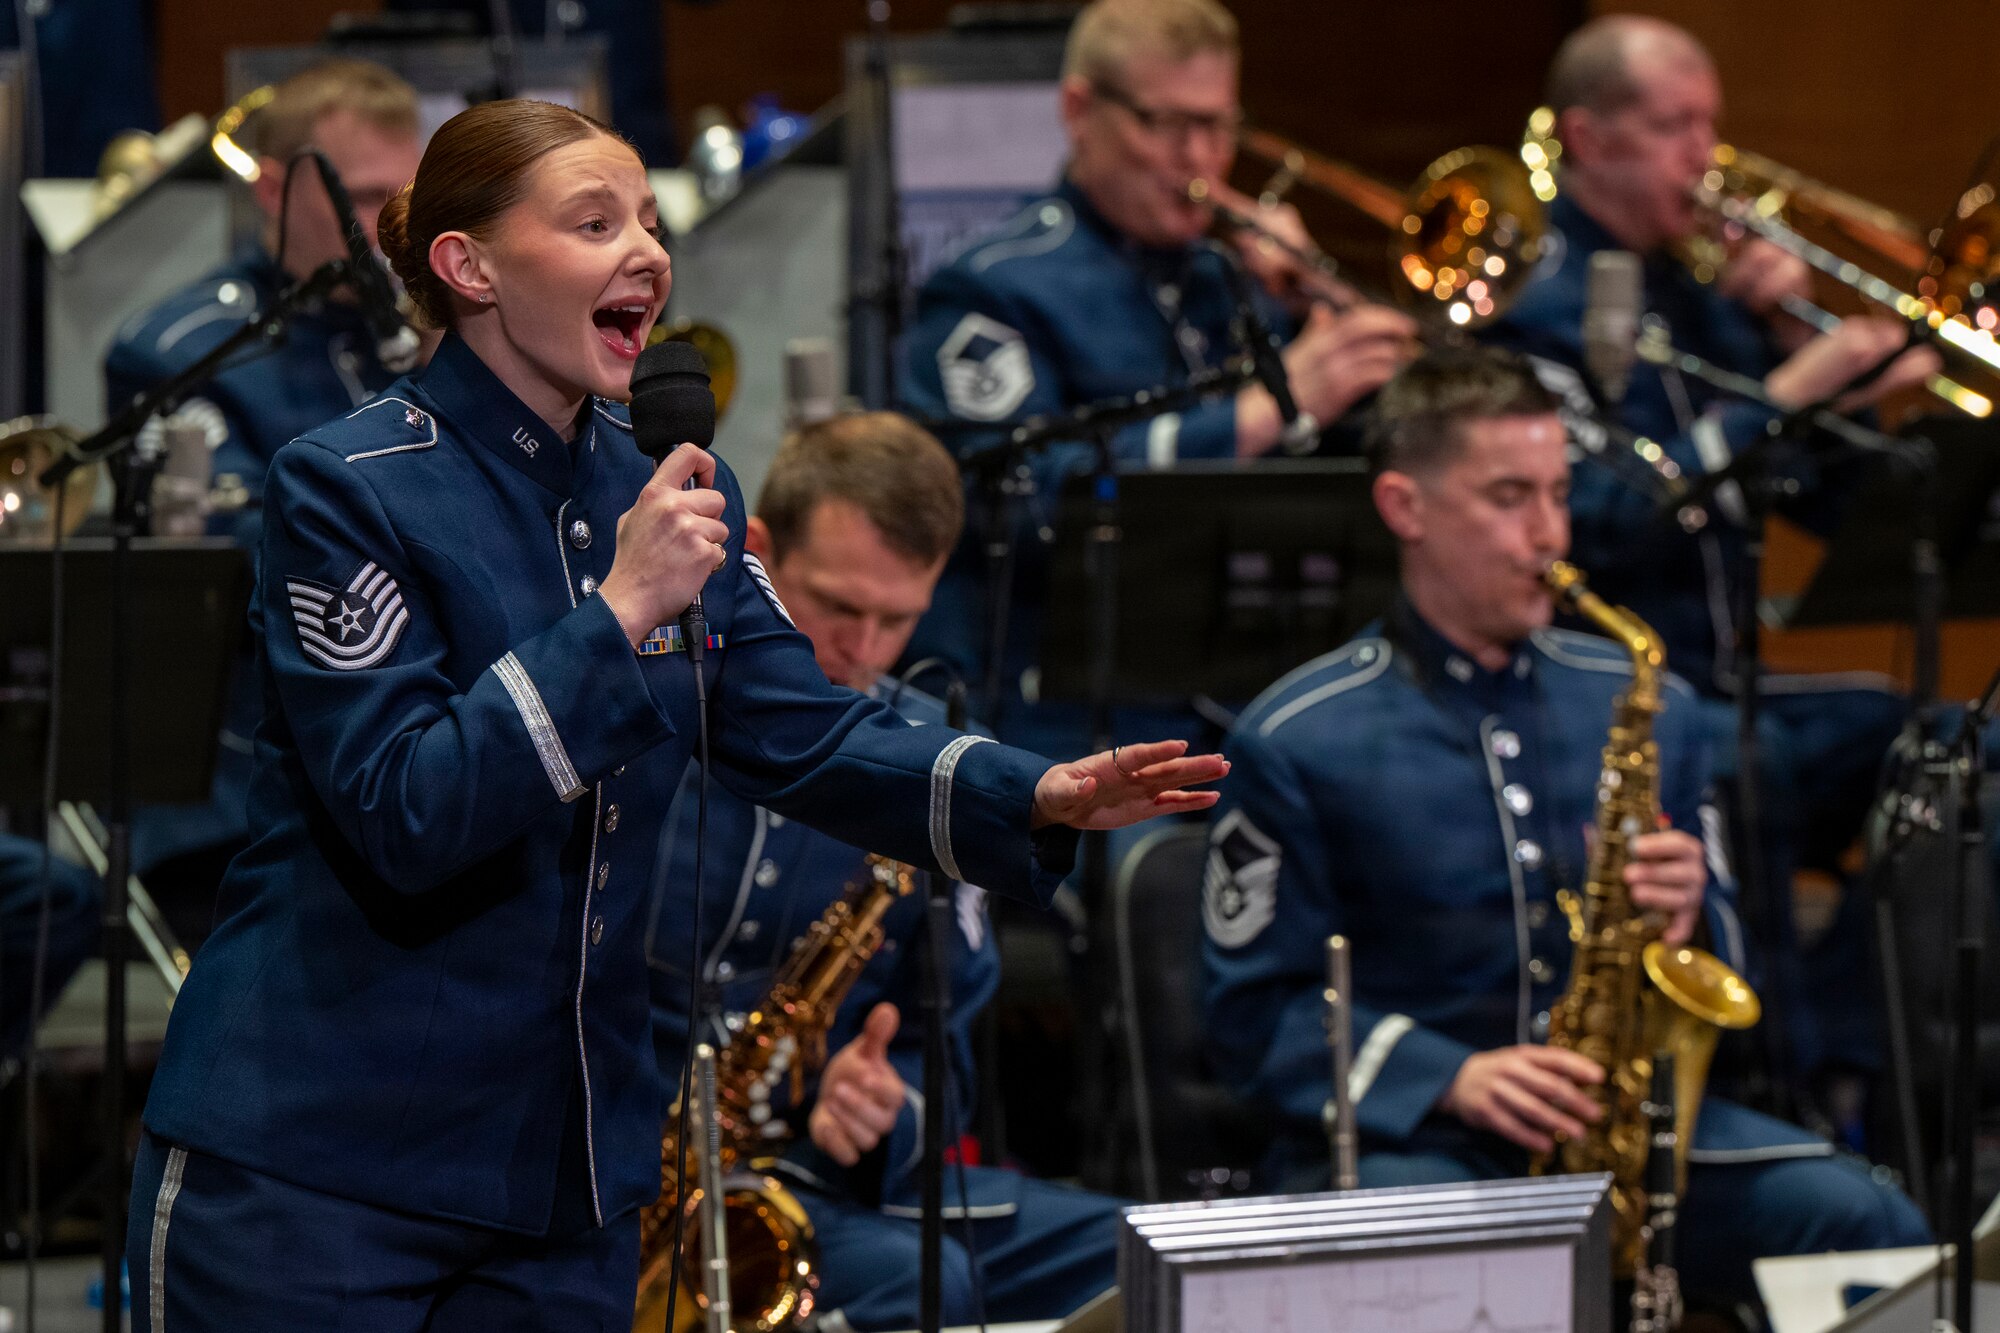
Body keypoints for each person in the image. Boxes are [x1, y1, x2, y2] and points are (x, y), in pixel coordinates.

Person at [124, 99, 1221, 1330]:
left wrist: (1026, 790)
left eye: (648, 217)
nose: (646, 249)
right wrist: (617, 611)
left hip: (565, 1179)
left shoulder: (657, 481)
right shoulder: (345, 485)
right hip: (315, 1168)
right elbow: (406, 807)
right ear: (466, 266)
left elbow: (802, 726)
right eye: (594, 222)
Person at [1202, 347, 1928, 1311]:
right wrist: (1450, 1076)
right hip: (1415, 1140)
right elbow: (1254, 1016)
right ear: (1404, 508)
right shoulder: (1296, 736)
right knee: (1456, 1267)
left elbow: (1728, 958)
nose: (1549, 531)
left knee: (1861, 1220)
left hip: (1625, 1125)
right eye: (1509, 497)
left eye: (1557, 492)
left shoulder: (1646, 699)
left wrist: (1689, 914)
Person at [1478, 15, 1940, 1079]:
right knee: (1752, 773)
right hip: (1607, 698)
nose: (1708, 158)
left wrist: (1802, 351)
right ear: (1589, 139)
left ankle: (1863, 1052)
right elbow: (1592, 518)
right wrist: (1788, 392)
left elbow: (1838, 519)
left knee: (1952, 757)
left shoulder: (1708, 294)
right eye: (1674, 127)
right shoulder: (1532, 304)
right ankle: (1792, 1070)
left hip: (1735, 683)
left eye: (1709, 125)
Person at [646, 411, 1122, 1331]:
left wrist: (883, 1107)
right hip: (626, 1169)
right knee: (920, 1282)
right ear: (756, 550)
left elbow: (941, 1063)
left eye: (898, 618)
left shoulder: (939, 766)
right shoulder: (644, 697)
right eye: (838, 605)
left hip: (820, 1178)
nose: (864, 650)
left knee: (1146, 1248)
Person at [900, 0, 1417, 752]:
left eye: (1220, 126)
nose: (1201, 158)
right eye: (1168, 124)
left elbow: (1370, 465)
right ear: (1080, 111)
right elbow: (1017, 501)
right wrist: (1266, 408)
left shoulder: (1233, 277)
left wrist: (1319, 307)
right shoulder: (994, 288)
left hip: (1248, 696)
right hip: (1065, 716)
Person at [102, 58, 428, 915]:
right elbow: (258, 572)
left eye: (409, 198)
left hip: (413, 757)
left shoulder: (432, 329)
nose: (392, 228)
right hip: (248, 781)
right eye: (362, 199)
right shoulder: (179, 350)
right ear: (277, 192)